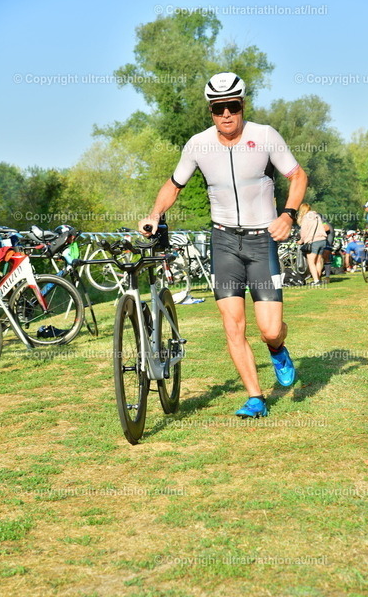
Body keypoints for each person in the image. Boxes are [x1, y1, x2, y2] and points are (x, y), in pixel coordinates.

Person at [138, 72, 308, 418]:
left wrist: (289, 215)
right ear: (211, 111)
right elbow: (173, 185)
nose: (226, 114)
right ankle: (255, 398)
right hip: (224, 241)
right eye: (218, 108)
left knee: (269, 330)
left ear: (242, 105)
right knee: (233, 325)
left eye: (232, 106)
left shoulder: (265, 136)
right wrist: (154, 214)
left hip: (261, 241)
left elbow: (297, 175)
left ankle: (277, 348)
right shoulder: (198, 144)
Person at [296, 203, 327, 285]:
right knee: (318, 261)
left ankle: (316, 281)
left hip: (313, 241)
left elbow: (303, 232)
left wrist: (301, 240)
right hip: (322, 240)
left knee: (311, 262)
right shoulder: (317, 216)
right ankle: (318, 279)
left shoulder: (305, 218)